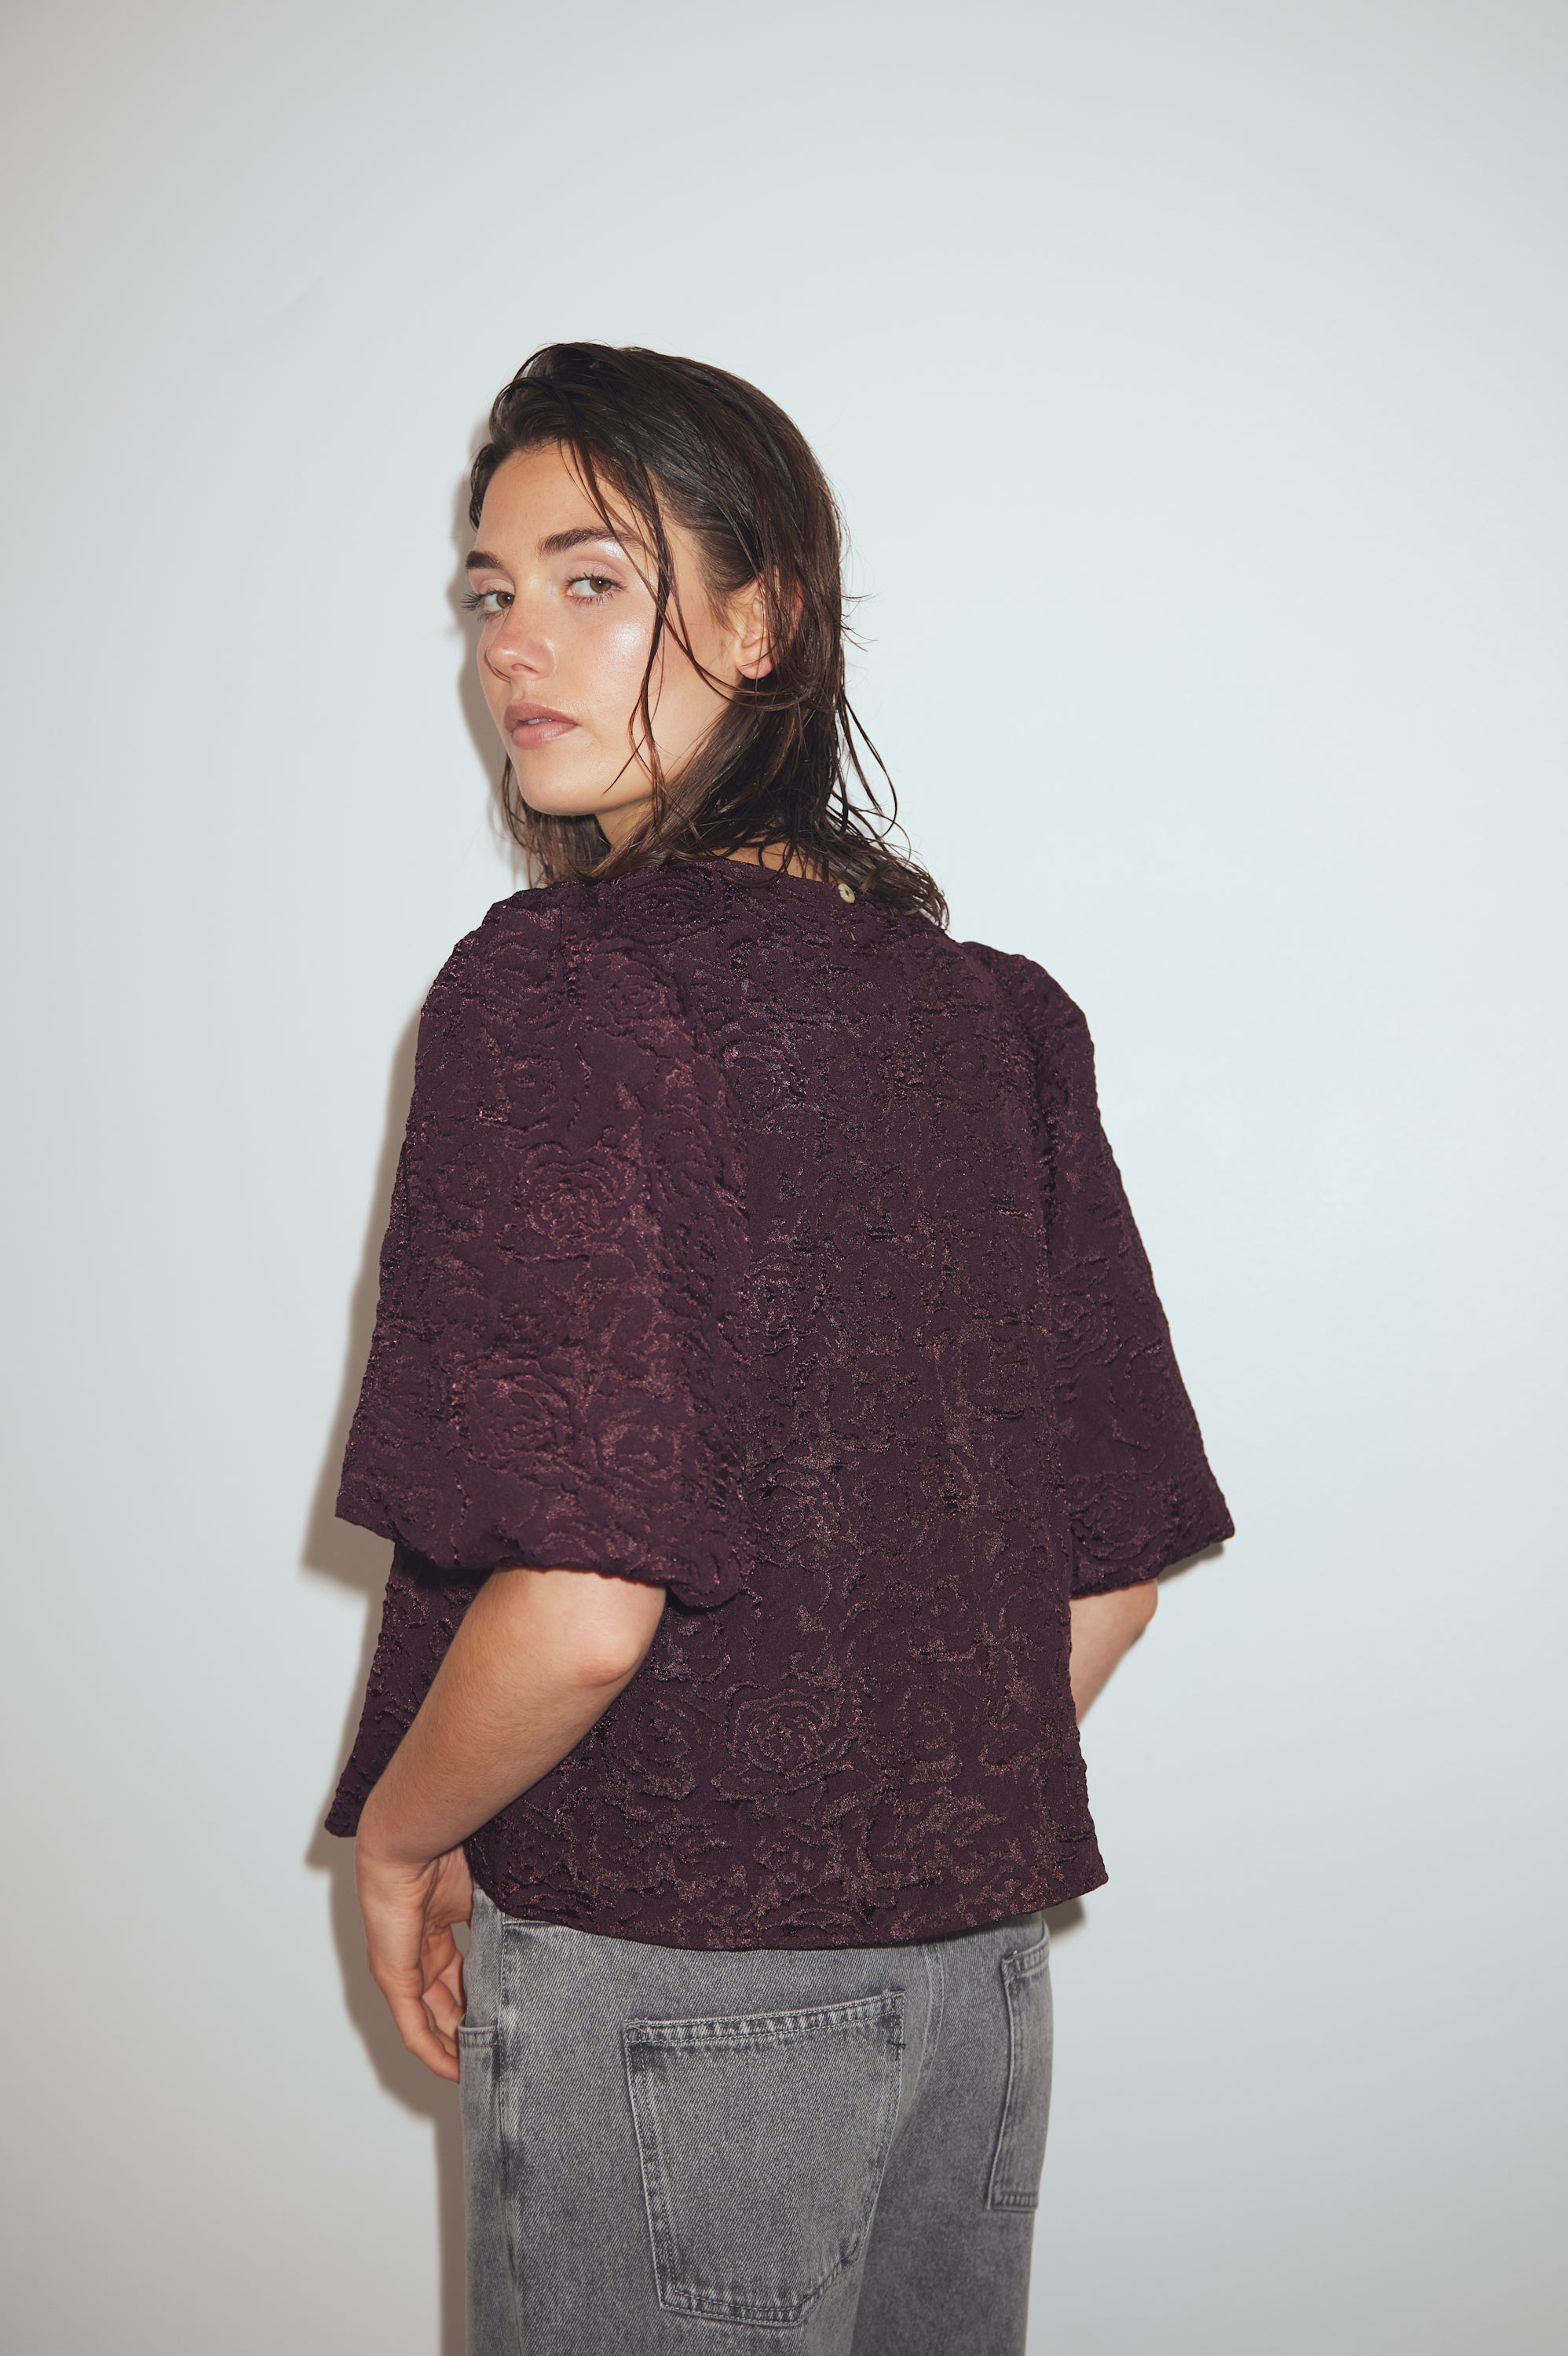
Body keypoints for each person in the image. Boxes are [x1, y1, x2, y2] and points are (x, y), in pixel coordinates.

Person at [324, 342, 1233, 2355]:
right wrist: (873, 1834)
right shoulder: (990, 1017)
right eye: (488, 591)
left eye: (591, 579)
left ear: (762, 623)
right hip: (976, 1989)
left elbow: (582, 1609)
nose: (513, 646)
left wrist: (401, 1830)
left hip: (663, 1990)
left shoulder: (558, 987)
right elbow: (1103, 1581)